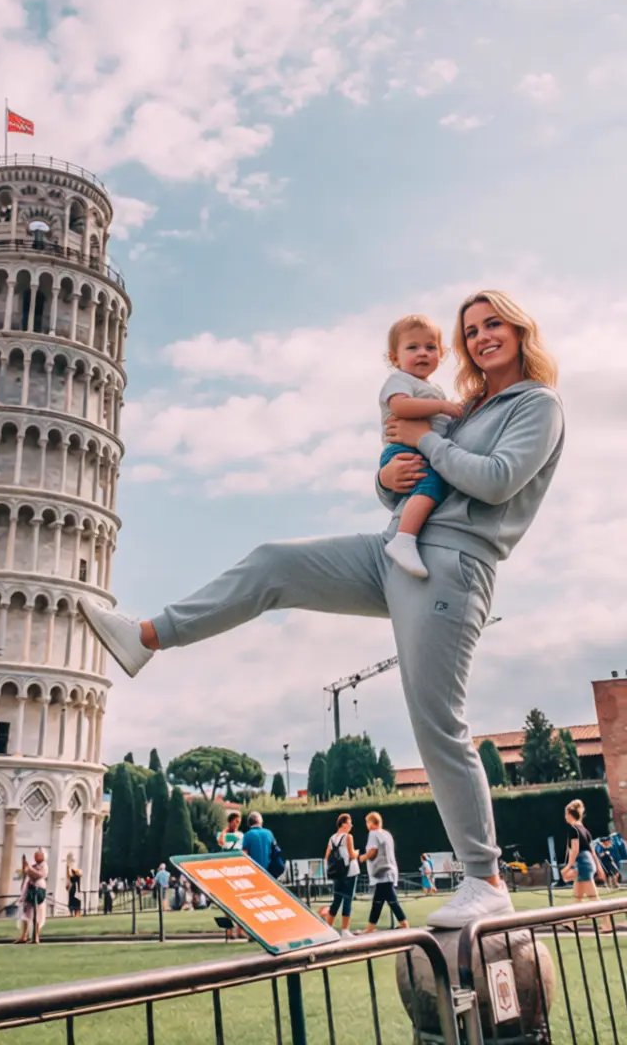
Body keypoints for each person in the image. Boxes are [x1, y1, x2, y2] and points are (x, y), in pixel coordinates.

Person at [78, 290, 563, 929]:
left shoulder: (537, 405)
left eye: (492, 324)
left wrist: (432, 444)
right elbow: (419, 469)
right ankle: (148, 635)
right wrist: (387, 479)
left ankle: (485, 878)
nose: (480, 337)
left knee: (436, 719)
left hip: (452, 564)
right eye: (470, 329)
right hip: (397, 546)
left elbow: (497, 479)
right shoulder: (467, 404)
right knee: (276, 561)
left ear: (519, 329)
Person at [379, 315, 463, 578]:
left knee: (431, 487)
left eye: (430, 347)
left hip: (421, 447)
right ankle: (404, 539)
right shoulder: (401, 380)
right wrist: (441, 406)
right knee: (430, 486)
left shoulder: (432, 388)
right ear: (395, 358)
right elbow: (400, 406)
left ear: (442, 353)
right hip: (404, 449)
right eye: (412, 348)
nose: (422, 353)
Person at [358, 812, 408, 932]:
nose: (366, 825)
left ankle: (404, 924)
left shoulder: (373, 834)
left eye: (367, 822)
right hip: (390, 870)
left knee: (389, 901)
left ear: (371, 823)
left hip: (381, 872)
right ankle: (371, 927)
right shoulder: (386, 834)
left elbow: (373, 852)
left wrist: (362, 857)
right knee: (380, 901)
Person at [320, 813, 360, 937]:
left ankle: (328, 929)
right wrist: (358, 852)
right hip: (350, 871)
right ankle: (345, 930)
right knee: (348, 899)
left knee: (336, 901)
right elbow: (352, 855)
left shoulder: (332, 838)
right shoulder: (348, 837)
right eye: (349, 823)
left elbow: (327, 856)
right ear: (343, 824)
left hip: (338, 873)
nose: (351, 825)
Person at [562, 800, 607, 906]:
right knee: (578, 899)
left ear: (570, 814)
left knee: (594, 898)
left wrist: (568, 867)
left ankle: (607, 922)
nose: (565, 817)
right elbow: (593, 853)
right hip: (588, 863)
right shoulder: (585, 830)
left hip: (582, 865)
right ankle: (572, 923)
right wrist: (599, 868)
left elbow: (575, 850)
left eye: (566, 814)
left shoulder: (573, 829)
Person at [17, 850, 48, 943]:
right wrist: (25, 866)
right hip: (30, 891)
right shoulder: (34, 866)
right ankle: (24, 935)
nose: (35, 857)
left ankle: (36, 936)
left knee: (37, 915)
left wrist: (28, 868)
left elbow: (39, 875)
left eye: (37, 855)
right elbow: (27, 873)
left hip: (37, 891)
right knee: (26, 914)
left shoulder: (44, 866)